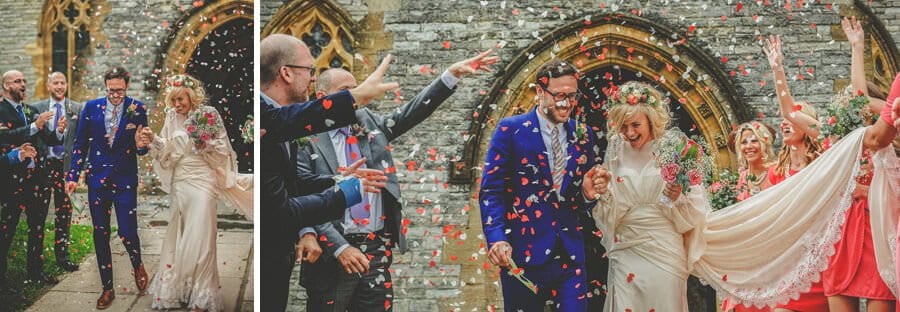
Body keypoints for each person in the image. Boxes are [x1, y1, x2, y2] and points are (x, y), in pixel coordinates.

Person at [590, 78, 899, 310]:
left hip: (663, 247)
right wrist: (600, 192)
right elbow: (610, 204)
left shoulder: (675, 149)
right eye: (623, 126)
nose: (629, 133)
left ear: (649, 120)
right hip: (627, 247)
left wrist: (677, 197)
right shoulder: (615, 154)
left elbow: (695, 206)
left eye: (635, 124)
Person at [296, 49, 498, 312]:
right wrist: (340, 247)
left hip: (375, 247)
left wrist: (450, 75)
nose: (355, 96)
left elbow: (409, 114)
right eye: (346, 91)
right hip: (331, 253)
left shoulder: (367, 122)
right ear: (322, 97)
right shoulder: (304, 138)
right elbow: (304, 198)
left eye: (356, 89)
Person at [259, 34, 394, 311]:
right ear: (286, 73)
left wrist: (338, 179)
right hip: (269, 257)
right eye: (309, 69)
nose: (313, 78)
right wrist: (345, 193)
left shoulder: (278, 120)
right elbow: (281, 211)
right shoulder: (266, 120)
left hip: (277, 260)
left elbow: (294, 184)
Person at [480, 59, 603, 311]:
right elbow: (492, 191)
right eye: (559, 95)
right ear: (539, 91)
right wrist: (497, 239)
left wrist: (587, 195)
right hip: (522, 255)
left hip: (570, 255)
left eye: (572, 96)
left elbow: (581, 199)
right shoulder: (510, 130)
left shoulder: (584, 134)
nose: (566, 103)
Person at [139, 74, 253, 311]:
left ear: (191, 96)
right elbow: (167, 148)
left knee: (200, 237)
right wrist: (153, 139)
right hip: (181, 182)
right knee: (178, 235)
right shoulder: (171, 116)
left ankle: (202, 294)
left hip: (203, 180)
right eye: (173, 100)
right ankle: (178, 288)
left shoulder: (207, 114)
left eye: (180, 99)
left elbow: (222, 150)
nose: (177, 104)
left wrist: (205, 144)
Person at [64, 66, 150, 309]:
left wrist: (141, 144)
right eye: (111, 91)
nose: (115, 95)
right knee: (100, 233)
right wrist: (73, 175)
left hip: (125, 179)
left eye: (119, 91)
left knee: (127, 231)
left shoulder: (137, 108)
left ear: (127, 86)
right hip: (97, 180)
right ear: (106, 87)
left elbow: (143, 147)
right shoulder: (91, 107)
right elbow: (80, 143)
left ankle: (137, 264)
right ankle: (107, 288)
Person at [0, 69, 65, 291]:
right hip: (11, 181)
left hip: (36, 180)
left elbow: (48, 138)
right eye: (17, 81)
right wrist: (34, 126)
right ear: (6, 86)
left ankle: (35, 272)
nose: (23, 84)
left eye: (24, 80)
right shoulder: (1, 110)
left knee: (37, 227)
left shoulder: (30, 110)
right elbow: (5, 136)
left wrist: (58, 131)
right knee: (6, 230)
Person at [31, 71, 82, 272]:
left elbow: (81, 141)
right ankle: (35, 262)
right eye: (56, 83)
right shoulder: (37, 108)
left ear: (67, 85)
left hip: (65, 168)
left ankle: (63, 257)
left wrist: (79, 169)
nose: (60, 86)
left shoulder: (76, 108)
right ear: (48, 86)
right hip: (43, 167)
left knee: (64, 213)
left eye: (63, 83)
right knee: (38, 214)